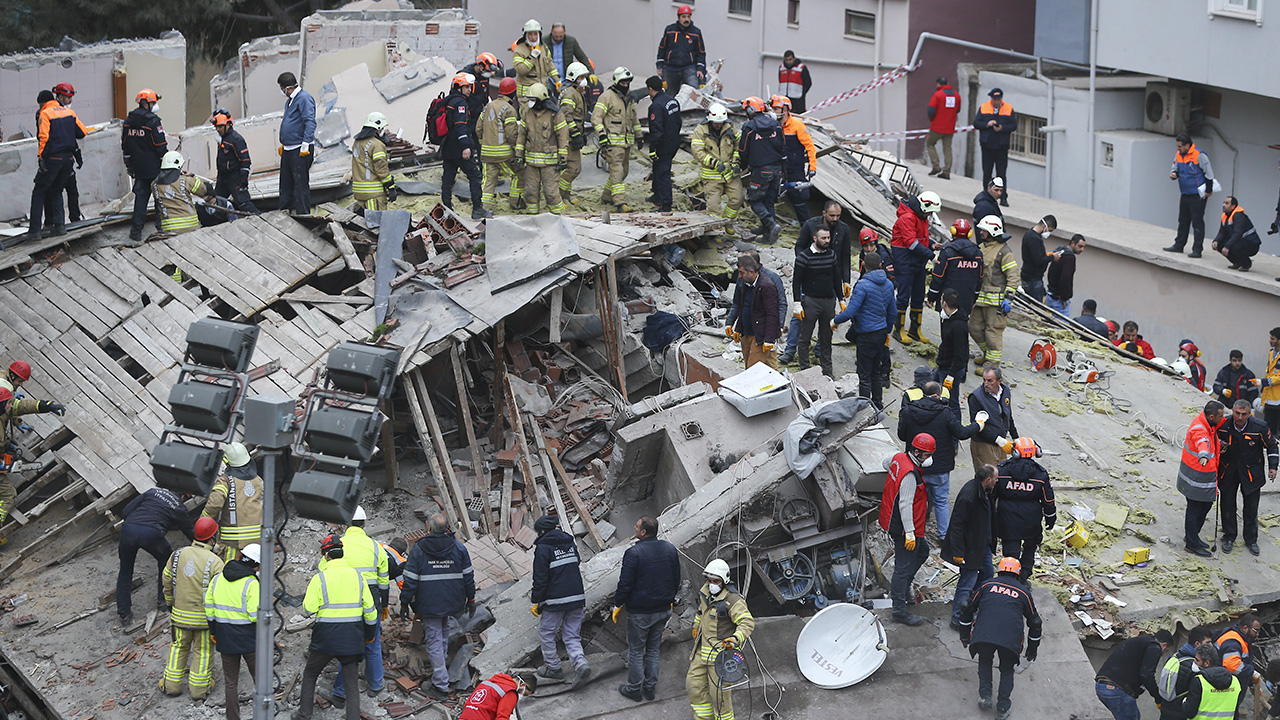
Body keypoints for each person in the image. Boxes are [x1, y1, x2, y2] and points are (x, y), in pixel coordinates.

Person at [296, 535, 377, 720]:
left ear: (326, 556)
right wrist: (369, 636)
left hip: (325, 636)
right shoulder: (358, 576)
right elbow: (371, 612)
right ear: (342, 554)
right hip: (351, 637)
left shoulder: (320, 578)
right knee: (351, 684)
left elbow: (308, 609)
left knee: (310, 674)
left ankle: (304, 714)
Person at [898, 380, 986, 538]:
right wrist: (978, 425)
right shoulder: (945, 412)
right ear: (938, 395)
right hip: (940, 466)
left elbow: (902, 436)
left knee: (913, 500)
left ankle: (912, 532)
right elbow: (962, 433)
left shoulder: (909, 410)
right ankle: (943, 536)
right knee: (940, 501)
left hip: (916, 466)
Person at [401, 513, 475, 700]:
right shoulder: (458, 547)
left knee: (434, 640)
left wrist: (404, 601)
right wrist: (471, 599)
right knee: (442, 633)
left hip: (429, 602)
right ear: (447, 528)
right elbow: (468, 576)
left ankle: (440, 685)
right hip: (452, 602)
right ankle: (441, 669)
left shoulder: (419, 549)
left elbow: (409, 580)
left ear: (429, 527)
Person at [958, 556, 1041, 720]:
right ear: (1018, 574)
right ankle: (1003, 707)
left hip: (984, 635)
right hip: (1010, 640)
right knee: (1007, 669)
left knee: (985, 660)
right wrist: (1032, 649)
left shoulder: (987, 585)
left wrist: (964, 635)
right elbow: (1035, 623)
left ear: (999, 571)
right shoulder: (1023, 592)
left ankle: (985, 696)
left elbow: (966, 608)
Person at [322, 506, 389, 704]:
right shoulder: (376, 547)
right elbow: (384, 581)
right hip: (372, 598)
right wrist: (383, 605)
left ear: (346, 524)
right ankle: (376, 685)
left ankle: (341, 692)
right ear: (365, 524)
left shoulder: (337, 546)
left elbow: (324, 571)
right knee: (373, 643)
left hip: (346, 600)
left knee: (347, 646)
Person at [613, 516, 680, 702]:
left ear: (643, 532)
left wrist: (618, 603)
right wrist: (669, 599)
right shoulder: (669, 549)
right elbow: (676, 578)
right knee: (652, 650)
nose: (634, 527)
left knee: (636, 651)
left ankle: (634, 688)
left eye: (636, 525)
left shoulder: (634, 553)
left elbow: (625, 584)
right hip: (663, 609)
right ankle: (649, 688)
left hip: (640, 612)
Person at [161, 516, 224, 699]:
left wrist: (169, 602)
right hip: (203, 620)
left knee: (178, 647)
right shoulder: (215, 562)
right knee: (203, 652)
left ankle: (171, 686)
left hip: (179, 616)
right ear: (212, 538)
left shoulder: (178, 554)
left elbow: (166, 579)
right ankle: (199, 690)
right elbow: (219, 591)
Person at [782, 202, 854, 363]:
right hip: (809, 277)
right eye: (831, 216)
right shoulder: (810, 225)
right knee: (799, 316)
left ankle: (820, 351)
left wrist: (846, 281)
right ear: (824, 213)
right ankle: (790, 349)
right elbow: (799, 246)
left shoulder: (843, 229)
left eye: (838, 216)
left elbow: (845, 255)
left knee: (827, 319)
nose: (835, 219)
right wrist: (806, 263)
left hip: (830, 280)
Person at [686, 559, 754, 720]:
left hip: (720, 657)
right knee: (694, 685)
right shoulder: (705, 593)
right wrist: (696, 626)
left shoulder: (733, 600)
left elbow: (747, 622)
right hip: (701, 652)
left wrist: (735, 639)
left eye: (716, 581)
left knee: (720, 697)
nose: (712, 584)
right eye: (709, 581)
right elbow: (701, 612)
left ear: (724, 581)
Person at [116, 486, 194, 627]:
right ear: (184, 496)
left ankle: (124, 613)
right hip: (151, 534)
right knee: (165, 560)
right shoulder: (178, 506)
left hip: (128, 529)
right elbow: (189, 531)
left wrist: (137, 522)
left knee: (125, 570)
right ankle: (162, 601)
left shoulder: (152, 491)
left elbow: (126, 511)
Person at [880, 433, 935, 626]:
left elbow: (885, 464)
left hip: (897, 521)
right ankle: (899, 611)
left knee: (923, 553)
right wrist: (910, 533)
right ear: (917, 452)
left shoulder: (898, 458)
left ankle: (903, 588)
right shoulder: (911, 474)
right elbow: (905, 504)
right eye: (927, 455)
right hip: (905, 527)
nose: (929, 459)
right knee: (902, 569)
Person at [530, 515, 590, 686]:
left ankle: (553, 668)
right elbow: (576, 563)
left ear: (541, 532)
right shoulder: (570, 543)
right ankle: (580, 663)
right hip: (577, 596)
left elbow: (540, 578)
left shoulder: (543, 548)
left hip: (555, 600)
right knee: (571, 634)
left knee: (546, 633)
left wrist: (536, 600)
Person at [206, 544, 261, 720]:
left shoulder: (217, 579)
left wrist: (214, 630)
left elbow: (209, 607)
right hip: (249, 640)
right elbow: (255, 616)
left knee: (230, 683)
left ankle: (233, 718)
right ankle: (262, 714)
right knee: (260, 681)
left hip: (225, 637)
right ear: (256, 564)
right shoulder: (252, 583)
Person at [833, 252, 896, 406]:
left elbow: (850, 311)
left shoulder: (863, 285)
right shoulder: (888, 284)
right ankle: (878, 404)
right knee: (876, 372)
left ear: (863, 266)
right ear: (880, 266)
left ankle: (864, 406)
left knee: (864, 374)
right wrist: (887, 330)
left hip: (866, 335)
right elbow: (893, 311)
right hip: (881, 333)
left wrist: (834, 321)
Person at [27, 82, 88, 242]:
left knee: (39, 192)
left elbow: (43, 137)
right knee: (57, 190)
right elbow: (82, 132)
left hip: (53, 158)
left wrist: (41, 158)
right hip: (68, 159)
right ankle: (60, 227)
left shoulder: (45, 113)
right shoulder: (69, 112)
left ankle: (34, 231)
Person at [1217, 399, 1277, 556]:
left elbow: (1272, 445)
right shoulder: (1223, 425)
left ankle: (1251, 540)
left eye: (1244, 414)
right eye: (1237, 413)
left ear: (1249, 413)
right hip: (1228, 471)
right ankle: (1229, 537)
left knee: (1251, 508)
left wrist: (1273, 467)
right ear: (1232, 410)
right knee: (1227, 505)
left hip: (1252, 473)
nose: (1240, 417)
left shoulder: (1259, 427)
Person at [943, 464, 998, 631]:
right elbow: (957, 525)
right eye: (996, 478)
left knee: (988, 575)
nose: (997, 481)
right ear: (988, 479)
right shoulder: (970, 495)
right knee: (967, 582)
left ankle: (973, 606)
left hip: (982, 545)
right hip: (970, 548)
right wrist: (959, 552)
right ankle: (958, 619)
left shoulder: (984, 491)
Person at [0, 386, 64, 527]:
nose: (12, 406)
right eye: (9, 403)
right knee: (8, 496)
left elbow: (21, 406)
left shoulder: (4, 411)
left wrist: (45, 406)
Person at [994, 438, 1056, 583]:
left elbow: (991, 495)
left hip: (1007, 519)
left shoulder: (1002, 470)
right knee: (1029, 550)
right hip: (1031, 520)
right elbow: (1048, 499)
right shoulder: (1041, 474)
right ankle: (1023, 579)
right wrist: (1050, 517)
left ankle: (1009, 580)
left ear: (1015, 452)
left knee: (1010, 554)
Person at [891, 192, 941, 344]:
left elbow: (920, 237)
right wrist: (931, 255)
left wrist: (931, 243)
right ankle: (898, 329)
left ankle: (914, 329)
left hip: (917, 261)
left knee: (919, 296)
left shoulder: (921, 217)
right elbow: (911, 243)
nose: (931, 215)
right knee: (903, 297)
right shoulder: (907, 218)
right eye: (930, 211)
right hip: (905, 262)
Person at [1178, 400, 1226, 557]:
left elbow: (1209, 440)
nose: (1222, 418)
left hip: (1202, 478)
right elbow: (1202, 442)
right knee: (1195, 509)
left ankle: (1193, 537)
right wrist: (1204, 455)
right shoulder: (1200, 428)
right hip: (1196, 478)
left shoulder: (1208, 424)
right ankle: (1191, 543)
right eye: (1220, 416)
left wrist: (1218, 444)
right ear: (1212, 416)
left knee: (1204, 506)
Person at [442, 73, 493, 220]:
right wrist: (466, 147)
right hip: (459, 148)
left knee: (448, 179)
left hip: (447, 147)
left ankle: (447, 210)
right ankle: (477, 209)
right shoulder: (460, 103)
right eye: (467, 87)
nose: (470, 90)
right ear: (459, 87)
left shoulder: (448, 100)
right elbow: (460, 126)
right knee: (475, 176)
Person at [793, 226, 842, 377]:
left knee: (826, 338)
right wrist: (797, 302)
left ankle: (828, 372)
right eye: (823, 238)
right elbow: (796, 281)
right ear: (815, 238)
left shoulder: (831, 255)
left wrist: (841, 299)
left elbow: (836, 278)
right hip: (810, 301)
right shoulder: (804, 257)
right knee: (805, 337)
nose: (827, 241)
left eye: (828, 238)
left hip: (828, 301)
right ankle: (805, 370)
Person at [971, 215, 1018, 372]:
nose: (981, 233)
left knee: (993, 333)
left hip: (996, 303)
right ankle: (986, 354)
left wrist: (1009, 298)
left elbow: (1013, 276)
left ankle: (991, 366)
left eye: (984, 230)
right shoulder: (982, 247)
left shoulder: (1004, 252)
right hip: (980, 299)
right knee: (974, 328)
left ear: (991, 231)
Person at [201, 442, 263, 561]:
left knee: (230, 572)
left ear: (226, 460)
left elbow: (214, 504)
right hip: (258, 539)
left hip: (234, 541)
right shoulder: (258, 480)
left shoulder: (225, 481)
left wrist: (203, 519)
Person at [515, 82, 569, 214]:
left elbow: (563, 137)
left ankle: (559, 219)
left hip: (550, 163)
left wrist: (563, 158)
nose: (530, 103)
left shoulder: (555, 114)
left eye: (533, 100)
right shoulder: (526, 113)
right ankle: (533, 218)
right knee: (530, 192)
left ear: (540, 100)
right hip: (531, 163)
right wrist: (518, 155)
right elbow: (522, 135)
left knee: (551, 193)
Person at [591, 67, 640, 212]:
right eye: (623, 82)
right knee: (617, 171)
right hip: (612, 143)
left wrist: (639, 136)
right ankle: (620, 203)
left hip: (626, 142)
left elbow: (634, 119)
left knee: (623, 172)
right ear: (617, 81)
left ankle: (607, 196)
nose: (625, 85)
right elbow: (596, 117)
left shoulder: (630, 98)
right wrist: (602, 135)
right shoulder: (607, 97)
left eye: (627, 82)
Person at [122, 88, 168, 243]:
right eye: (153, 102)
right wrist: (167, 164)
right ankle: (161, 230)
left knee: (140, 200)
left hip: (138, 169)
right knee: (160, 200)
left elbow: (125, 146)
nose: (155, 106)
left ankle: (135, 232)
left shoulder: (128, 121)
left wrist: (129, 165)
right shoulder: (153, 122)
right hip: (155, 168)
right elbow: (160, 146)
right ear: (145, 103)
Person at [738, 96, 786, 243]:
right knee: (769, 201)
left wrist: (742, 165)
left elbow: (743, 150)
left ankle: (771, 225)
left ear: (750, 110)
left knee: (755, 200)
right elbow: (783, 146)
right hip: (777, 169)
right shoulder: (776, 125)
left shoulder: (749, 127)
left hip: (761, 171)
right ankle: (767, 233)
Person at [1094, 630, 1172, 720]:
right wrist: (1158, 698)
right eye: (1166, 651)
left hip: (1102, 686)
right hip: (1116, 689)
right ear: (1164, 645)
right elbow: (1146, 675)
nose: (1162, 654)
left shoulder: (1142, 642)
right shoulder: (1154, 647)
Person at [1164, 133, 1216, 258]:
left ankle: (1197, 249)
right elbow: (1175, 168)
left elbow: (1209, 174)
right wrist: (1173, 174)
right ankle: (1179, 245)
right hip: (1185, 193)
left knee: (1197, 222)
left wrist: (1208, 190)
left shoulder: (1200, 155)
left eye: (1180, 146)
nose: (1178, 149)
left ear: (1187, 145)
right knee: (1183, 220)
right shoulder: (1178, 155)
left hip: (1197, 194)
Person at [727, 255, 781, 369]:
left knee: (753, 370)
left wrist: (769, 339)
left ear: (751, 272)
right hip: (746, 333)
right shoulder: (743, 283)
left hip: (759, 335)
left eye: (742, 273)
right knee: (749, 367)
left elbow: (772, 314)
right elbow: (739, 305)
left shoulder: (767, 286)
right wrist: (732, 324)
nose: (739, 276)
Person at [478, 77, 523, 212]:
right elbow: (511, 134)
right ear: (513, 93)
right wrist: (517, 150)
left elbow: (478, 128)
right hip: (503, 154)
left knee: (488, 182)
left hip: (486, 153)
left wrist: (483, 144)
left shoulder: (487, 107)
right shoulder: (509, 109)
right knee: (518, 174)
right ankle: (515, 203)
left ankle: (484, 208)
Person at [690, 103, 742, 222]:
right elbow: (697, 151)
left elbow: (738, 146)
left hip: (730, 173)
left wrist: (736, 162)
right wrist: (714, 163)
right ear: (709, 120)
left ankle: (728, 222)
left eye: (721, 122)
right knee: (713, 208)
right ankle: (715, 233)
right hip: (712, 176)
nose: (718, 125)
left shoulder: (730, 127)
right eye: (716, 123)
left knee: (737, 199)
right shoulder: (700, 130)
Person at [771, 95, 817, 223]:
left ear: (785, 110)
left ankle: (807, 228)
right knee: (770, 197)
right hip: (777, 168)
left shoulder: (798, 126)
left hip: (794, 169)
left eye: (776, 108)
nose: (773, 111)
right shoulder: (771, 126)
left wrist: (812, 167)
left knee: (800, 199)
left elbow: (810, 147)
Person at [928, 217, 982, 321]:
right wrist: (974, 298)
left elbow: (938, 277)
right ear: (969, 233)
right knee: (961, 327)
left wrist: (931, 297)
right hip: (967, 299)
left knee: (947, 329)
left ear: (953, 231)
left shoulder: (947, 252)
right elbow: (979, 278)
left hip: (948, 299)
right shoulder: (978, 254)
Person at [277, 72, 315, 216]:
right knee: (286, 182)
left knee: (300, 183)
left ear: (287, 88)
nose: (281, 92)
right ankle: (286, 210)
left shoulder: (304, 99)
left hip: (300, 148)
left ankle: (303, 213)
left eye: (281, 88)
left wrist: (306, 142)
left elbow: (310, 121)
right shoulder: (290, 101)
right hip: (289, 148)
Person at [1157, 627, 1215, 720]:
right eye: (1208, 643)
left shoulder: (1175, 657)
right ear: (1197, 644)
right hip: (1179, 714)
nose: (1211, 645)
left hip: (1166, 710)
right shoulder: (1194, 667)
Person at [152, 151, 214, 234]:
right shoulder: (186, 180)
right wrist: (192, 175)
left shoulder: (154, 185)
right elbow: (203, 190)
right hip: (191, 226)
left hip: (169, 228)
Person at [973, 89, 1016, 206]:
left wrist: (1002, 128)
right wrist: (987, 124)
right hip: (987, 146)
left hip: (1001, 146)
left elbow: (1014, 125)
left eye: (998, 99)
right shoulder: (984, 107)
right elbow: (976, 123)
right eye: (994, 99)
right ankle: (987, 196)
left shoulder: (1008, 108)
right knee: (987, 172)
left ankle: (1003, 197)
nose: (996, 102)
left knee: (1001, 173)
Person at [211, 111, 259, 214]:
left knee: (244, 204)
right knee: (217, 204)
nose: (218, 129)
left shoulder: (236, 139)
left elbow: (245, 161)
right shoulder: (222, 139)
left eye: (220, 126)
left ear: (228, 125)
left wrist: (243, 181)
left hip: (235, 179)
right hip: (223, 179)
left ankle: (260, 220)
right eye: (216, 127)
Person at [969, 366, 1017, 469]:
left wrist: (1016, 437)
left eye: (990, 381)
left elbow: (1008, 415)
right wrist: (999, 440)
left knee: (1002, 474)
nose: (986, 384)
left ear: (999, 381)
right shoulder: (976, 397)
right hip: (984, 443)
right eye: (984, 380)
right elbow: (977, 426)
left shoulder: (1005, 391)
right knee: (987, 478)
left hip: (1000, 443)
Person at [647, 76, 681, 212]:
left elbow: (656, 129)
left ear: (650, 89)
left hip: (663, 145)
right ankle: (657, 195)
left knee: (662, 173)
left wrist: (653, 147)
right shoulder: (673, 101)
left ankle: (665, 204)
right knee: (657, 168)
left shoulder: (656, 106)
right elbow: (679, 122)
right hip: (674, 141)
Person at [935, 289, 971, 420]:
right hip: (943, 364)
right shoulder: (946, 317)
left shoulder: (958, 326)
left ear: (944, 303)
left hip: (951, 369)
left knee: (951, 401)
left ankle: (955, 435)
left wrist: (951, 375)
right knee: (932, 390)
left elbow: (960, 354)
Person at [350, 112, 396, 211]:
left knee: (363, 222)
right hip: (373, 194)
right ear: (377, 128)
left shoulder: (357, 142)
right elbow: (381, 168)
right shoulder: (377, 144)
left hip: (359, 192)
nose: (383, 131)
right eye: (382, 129)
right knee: (376, 223)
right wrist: (390, 186)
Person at [655, 5, 706, 96]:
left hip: (689, 68)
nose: (686, 19)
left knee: (693, 93)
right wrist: (659, 66)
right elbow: (662, 48)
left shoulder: (696, 33)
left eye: (688, 16)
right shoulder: (670, 30)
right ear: (678, 17)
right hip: (670, 69)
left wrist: (700, 69)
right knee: (669, 95)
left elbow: (701, 52)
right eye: (683, 17)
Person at [1181, 644, 1241, 720]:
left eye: (1197, 660)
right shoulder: (1235, 681)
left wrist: (1184, 702)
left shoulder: (1199, 681)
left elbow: (1189, 712)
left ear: (1206, 663)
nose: (1194, 662)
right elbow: (1236, 714)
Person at [558, 64, 590, 205]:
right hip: (568, 138)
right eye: (581, 77)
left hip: (572, 136)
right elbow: (566, 116)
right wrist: (575, 134)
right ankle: (559, 195)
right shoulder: (570, 93)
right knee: (573, 168)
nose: (584, 80)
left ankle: (566, 195)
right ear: (573, 78)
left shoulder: (576, 93)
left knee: (572, 167)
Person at [513, 20, 560, 101]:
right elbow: (520, 70)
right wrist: (532, 57)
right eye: (530, 34)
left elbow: (550, 66)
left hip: (542, 92)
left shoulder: (543, 47)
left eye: (535, 34)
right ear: (525, 35)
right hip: (526, 96)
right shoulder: (519, 50)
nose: (533, 37)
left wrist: (557, 80)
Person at [1212, 195, 1261, 271]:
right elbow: (1222, 232)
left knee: (1235, 247)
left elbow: (1238, 233)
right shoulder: (1225, 216)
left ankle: (1246, 264)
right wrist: (1216, 241)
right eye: (1223, 203)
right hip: (1240, 241)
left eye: (1227, 203)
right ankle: (1237, 262)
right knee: (1220, 244)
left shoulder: (1238, 216)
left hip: (1251, 244)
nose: (1223, 205)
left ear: (1233, 206)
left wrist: (1227, 246)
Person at [926, 77, 961, 179]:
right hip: (950, 127)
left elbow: (931, 109)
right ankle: (947, 171)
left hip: (937, 126)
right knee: (947, 148)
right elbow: (958, 109)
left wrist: (931, 119)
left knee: (930, 143)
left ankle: (936, 166)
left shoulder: (938, 95)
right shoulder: (956, 95)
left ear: (938, 84)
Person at [1018, 215, 1058, 302]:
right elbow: (1038, 260)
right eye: (1050, 230)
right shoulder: (1034, 238)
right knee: (1036, 308)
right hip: (1033, 279)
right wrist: (1052, 257)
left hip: (1030, 277)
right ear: (1044, 226)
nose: (1049, 233)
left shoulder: (1030, 234)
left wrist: (1047, 255)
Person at [459, 673, 531, 720]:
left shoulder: (485, 683)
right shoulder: (510, 692)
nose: (521, 695)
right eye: (525, 694)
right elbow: (502, 717)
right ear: (523, 685)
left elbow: (467, 703)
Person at [1046, 233, 1085, 316]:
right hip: (1059, 300)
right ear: (1073, 243)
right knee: (1062, 325)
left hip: (1050, 294)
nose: (1082, 249)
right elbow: (1065, 278)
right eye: (1080, 246)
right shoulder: (1069, 258)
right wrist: (1064, 297)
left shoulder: (1060, 252)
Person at [1215, 614, 1261, 680]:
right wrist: (1250, 671)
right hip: (1222, 681)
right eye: (1256, 631)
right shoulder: (1232, 642)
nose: (1257, 634)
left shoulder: (1241, 639)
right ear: (1245, 628)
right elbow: (1232, 667)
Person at [1261, 328, 1280, 435]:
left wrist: (1264, 382)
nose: (1270, 341)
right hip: (1270, 398)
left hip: (1278, 398)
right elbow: (1269, 372)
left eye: (1272, 339)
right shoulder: (1271, 353)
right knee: (1269, 428)